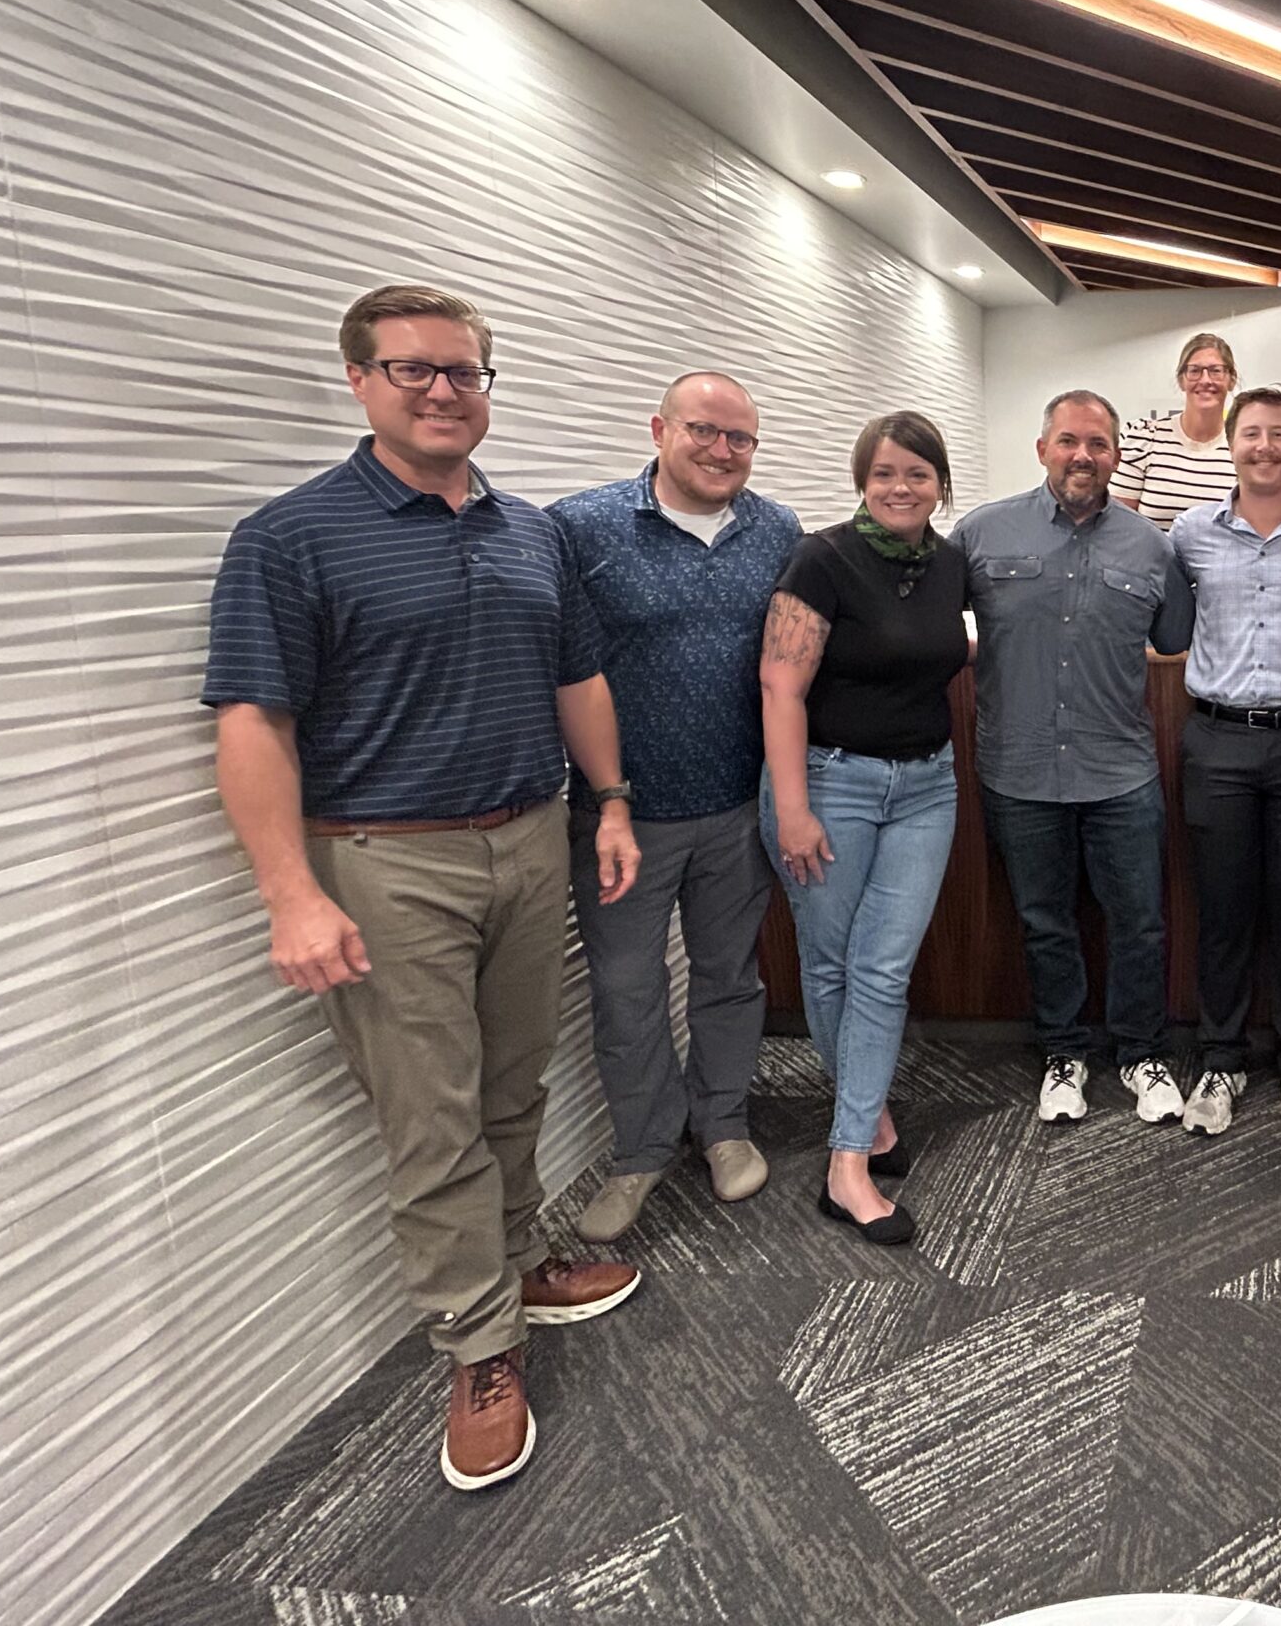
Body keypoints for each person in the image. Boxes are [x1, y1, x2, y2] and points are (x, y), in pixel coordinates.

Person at [203, 284, 643, 1493]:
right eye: (416, 371)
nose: (445, 391)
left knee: (512, 1086)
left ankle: (512, 1271)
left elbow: (578, 679)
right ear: (360, 381)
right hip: (386, 860)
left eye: (466, 373)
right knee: (429, 1115)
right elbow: (251, 723)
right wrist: (291, 893)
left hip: (525, 838)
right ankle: (478, 1346)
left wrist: (605, 802)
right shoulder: (290, 537)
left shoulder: (530, 531)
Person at [549, 374, 803, 1244]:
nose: (722, 451)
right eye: (704, 431)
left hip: (738, 805)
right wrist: (609, 795)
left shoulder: (776, 530)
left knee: (730, 980)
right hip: (620, 815)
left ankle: (723, 1125)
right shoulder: (582, 529)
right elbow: (563, 673)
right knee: (626, 990)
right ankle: (640, 1150)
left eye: (740, 438)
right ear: (660, 429)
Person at [759, 412, 971, 1247]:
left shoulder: (949, 565)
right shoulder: (823, 558)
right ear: (862, 480)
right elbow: (781, 689)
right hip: (829, 782)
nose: (900, 488)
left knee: (880, 971)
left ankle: (853, 1141)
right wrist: (792, 809)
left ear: (940, 484)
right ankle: (855, 1154)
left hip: (927, 786)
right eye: (884, 473)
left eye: (917, 474)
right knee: (832, 965)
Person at [958, 391, 1196, 1123]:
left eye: (1098, 443)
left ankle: (1140, 1053)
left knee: (1140, 922)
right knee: (1044, 920)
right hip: (1019, 770)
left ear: (1117, 456)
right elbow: (922, 617)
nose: (1083, 455)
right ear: (1042, 449)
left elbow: (1176, 638)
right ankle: (1065, 1053)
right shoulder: (979, 534)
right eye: (1068, 441)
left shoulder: (1152, 547)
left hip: (1120, 771)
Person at [1167, 384, 1281, 1143]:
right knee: (1221, 908)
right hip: (1216, 740)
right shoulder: (1189, 532)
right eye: (1251, 434)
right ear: (1232, 443)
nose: (1265, 447)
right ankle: (1220, 1059)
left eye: (1279, 435)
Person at [1112, 332, 1241, 529]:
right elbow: (1118, 527)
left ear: (1231, 379)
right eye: (1194, 371)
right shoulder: (1144, 439)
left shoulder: (1242, 449)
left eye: (1216, 371)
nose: (1205, 380)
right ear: (1181, 380)